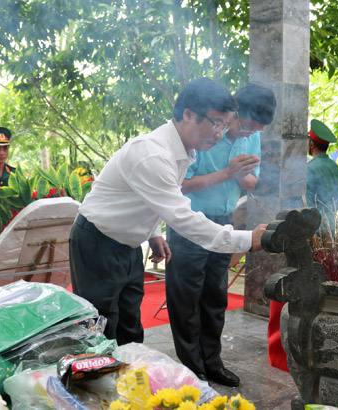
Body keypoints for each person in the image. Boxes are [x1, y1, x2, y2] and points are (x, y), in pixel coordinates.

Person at [69, 77, 267, 379]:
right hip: (98, 242)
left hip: (129, 244)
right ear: (188, 114)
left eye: (225, 125)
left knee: (130, 327)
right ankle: (97, 392)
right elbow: (183, 217)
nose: (220, 133)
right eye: (215, 123)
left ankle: (126, 387)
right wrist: (248, 239)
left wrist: (153, 234)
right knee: (101, 326)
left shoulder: (184, 152)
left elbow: (148, 199)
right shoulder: (152, 153)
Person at [165, 84, 276, 387]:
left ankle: (212, 362)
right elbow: (181, 185)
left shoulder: (251, 137)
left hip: (225, 220)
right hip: (189, 221)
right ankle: (192, 368)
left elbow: (252, 182)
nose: (247, 134)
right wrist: (227, 173)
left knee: (215, 296)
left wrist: (241, 175)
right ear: (231, 114)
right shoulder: (203, 135)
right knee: (186, 298)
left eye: (255, 131)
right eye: (245, 126)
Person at [306, 119, 338, 234]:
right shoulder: (337, 168)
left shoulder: (309, 168)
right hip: (331, 224)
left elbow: (307, 201)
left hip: (313, 226)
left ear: (312, 145)